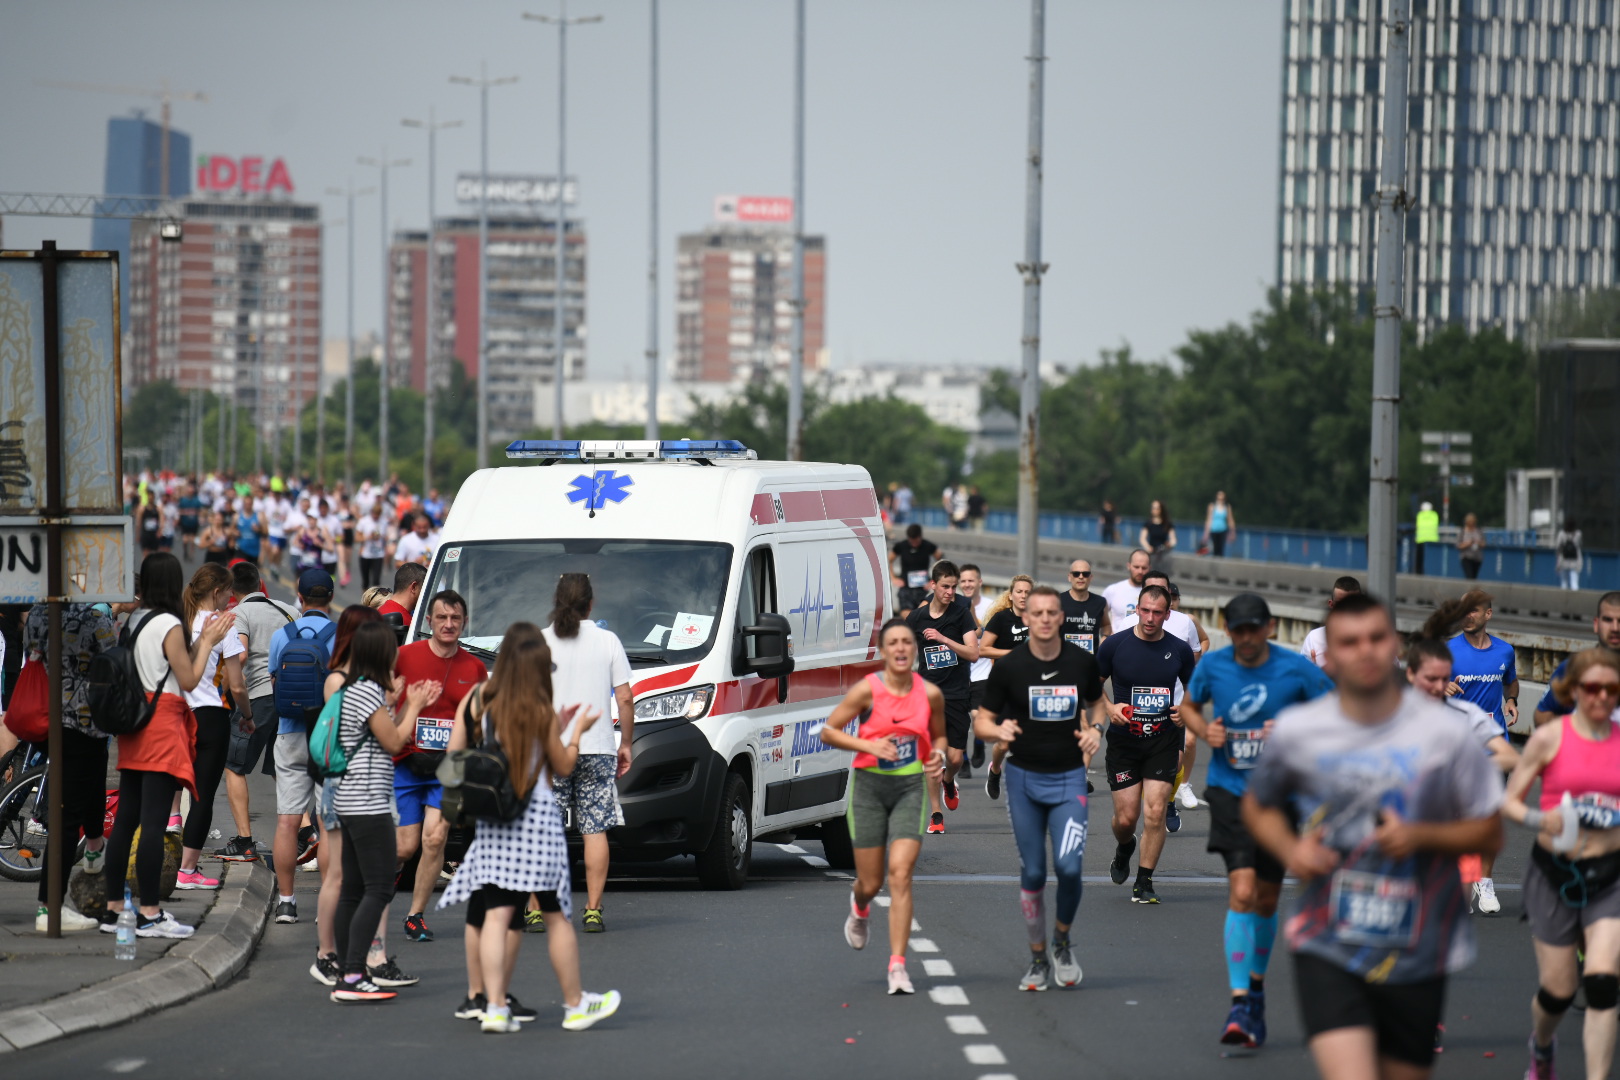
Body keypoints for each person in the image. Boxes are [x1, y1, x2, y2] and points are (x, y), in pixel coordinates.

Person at [1242, 594, 1503, 1080]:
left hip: (1418, 943)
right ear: (1329, 654)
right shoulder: (1302, 729)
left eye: (1376, 638)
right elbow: (1258, 805)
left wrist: (1421, 835)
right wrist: (1292, 848)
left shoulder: (1445, 732)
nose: (1364, 650)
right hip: (1329, 939)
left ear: (1395, 648)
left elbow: (1489, 829)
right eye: (1349, 641)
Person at [439, 627, 622, 1033]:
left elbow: (453, 757)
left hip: (493, 818)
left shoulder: (480, 701)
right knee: (555, 915)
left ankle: (495, 1006)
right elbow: (562, 766)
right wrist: (572, 732)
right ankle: (575, 1004)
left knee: (497, 914)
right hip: (535, 819)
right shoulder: (537, 708)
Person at [1181, 594, 1334, 1050]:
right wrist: (1202, 728)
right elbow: (1190, 705)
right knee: (1243, 890)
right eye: (1238, 629)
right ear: (1228, 628)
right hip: (1230, 792)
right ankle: (1240, 1001)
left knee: (1267, 899)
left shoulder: (1295, 669)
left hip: (1279, 798)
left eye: (1254, 629)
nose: (1246, 638)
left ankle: (1257, 988)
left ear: (1268, 627)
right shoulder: (1215, 666)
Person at [100, 553, 237, 939]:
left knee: (127, 819)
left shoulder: (135, 620)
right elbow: (190, 679)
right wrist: (208, 641)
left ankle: (113, 909)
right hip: (162, 725)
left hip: (134, 723)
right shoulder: (169, 625)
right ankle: (148, 914)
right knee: (155, 820)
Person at [975, 586, 1105, 991]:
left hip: (1068, 779)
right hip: (1024, 779)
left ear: (1061, 617)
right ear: (1026, 618)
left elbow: (1099, 703)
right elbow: (981, 722)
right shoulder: (1011, 667)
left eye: (1053, 612)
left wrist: (1096, 730)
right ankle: (1037, 959)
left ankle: (1061, 943)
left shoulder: (1080, 662)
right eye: (1038, 613)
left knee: (1068, 868)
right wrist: (1000, 729)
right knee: (1033, 871)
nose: (1046, 619)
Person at [1500, 647, 1620, 1080]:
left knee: (1604, 984)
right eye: (1592, 688)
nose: (1602, 697)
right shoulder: (1551, 738)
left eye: (1612, 688)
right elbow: (1509, 803)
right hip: (1554, 873)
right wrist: (1540, 818)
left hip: (1610, 875)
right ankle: (1543, 1044)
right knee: (1559, 990)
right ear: (1574, 691)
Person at [821, 618, 946, 996]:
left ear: (914, 648)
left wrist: (937, 754)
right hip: (870, 787)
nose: (901, 648)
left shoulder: (930, 694)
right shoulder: (867, 690)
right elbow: (830, 730)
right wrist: (870, 746)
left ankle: (897, 966)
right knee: (871, 883)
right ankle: (860, 908)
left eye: (907, 641)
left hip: (910, 786)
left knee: (901, 873)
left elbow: (939, 734)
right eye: (893, 642)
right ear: (883, 650)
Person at [327, 621, 441, 1003]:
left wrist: (398, 706)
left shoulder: (355, 691)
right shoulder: (366, 693)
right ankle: (355, 975)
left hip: (350, 799)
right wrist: (414, 705)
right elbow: (394, 742)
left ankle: (346, 971)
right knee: (377, 889)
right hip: (367, 803)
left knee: (353, 891)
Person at [394, 589, 487, 943]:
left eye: (455, 619)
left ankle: (415, 915)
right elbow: (383, 699)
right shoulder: (404, 656)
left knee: (435, 838)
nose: (448, 624)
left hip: (449, 768)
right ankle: (370, 889)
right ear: (428, 621)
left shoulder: (474, 667)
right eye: (442, 618)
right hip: (405, 761)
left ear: (464, 623)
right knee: (404, 847)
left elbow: (481, 719)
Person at [544, 574, 634, 933]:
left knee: (545, 829)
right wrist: (625, 743)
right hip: (597, 746)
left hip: (551, 749)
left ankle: (538, 908)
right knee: (595, 830)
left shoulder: (542, 640)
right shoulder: (607, 640)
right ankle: (593, 910)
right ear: (591, 604)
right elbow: (624, 698)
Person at [1096, 584, 1196, 904]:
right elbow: (1090, 686)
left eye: (1158, 612)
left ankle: (1145, 880)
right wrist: (1110, 708)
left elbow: (1196, 689)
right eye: (1145, 610)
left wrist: (1186, 713)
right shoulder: (1114, 645)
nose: (1150, 618)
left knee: (1154, 812)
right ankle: (1125, 847)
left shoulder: (1179, 649)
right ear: (1136, 609)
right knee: (1126, 819)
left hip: (1163, 740)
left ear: (1168, 614)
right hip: (1125, 743)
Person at [25, 602, 117, 931]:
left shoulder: (37, 614)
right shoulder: (95, 618)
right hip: (85, 720)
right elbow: (113, 659)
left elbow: (31, 650)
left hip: (46, 719)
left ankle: (93, 847)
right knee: (66, 818)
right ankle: (48, 908)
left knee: (89, 783)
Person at [214, 562, 298, 863]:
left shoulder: (239, 614)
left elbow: (242, 653)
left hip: (259, 696)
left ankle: (245, 841)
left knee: (234, 766)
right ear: (261, 582)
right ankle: (307, 832)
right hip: (290, 699)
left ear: (232, 590)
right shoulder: (289, 611)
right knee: (282, 768)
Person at [267, 568, 338, 924]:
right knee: (327, 824)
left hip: (290, 732)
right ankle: (328, 899)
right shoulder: (340, 636)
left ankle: (286, 902)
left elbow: (274, 679)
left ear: (300, 594)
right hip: (326, 734)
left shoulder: (283, 635)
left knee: (287, 823)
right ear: (331, 595)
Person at [175, 563, 248, 891]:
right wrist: (247, 715)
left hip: (177, 712)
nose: (231, 597)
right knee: (202, 795)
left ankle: (161, 850)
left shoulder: (180, 619)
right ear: (216, 592)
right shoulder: (223, 626)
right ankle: (187, 870)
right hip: (211, 715)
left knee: (167, 788)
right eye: (228, 590)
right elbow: (237, 685)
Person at [1113, 571, 1203, 831]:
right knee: (1128, 811)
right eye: (1150, 592)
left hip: (1171, 708)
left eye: (1163, 593)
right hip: (1134, 713)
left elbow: (1194, 658)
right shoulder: (1127, 625)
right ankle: (1155, 799)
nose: (1153, 609)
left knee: (1175, 760)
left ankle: (1169, 800)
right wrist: (1113, 706)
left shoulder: (1184, 623)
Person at [904, 560, 979, 834]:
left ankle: (949, 780)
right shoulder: (917, 618)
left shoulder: (961, 614)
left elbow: (973, 653)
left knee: (955, 758)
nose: (950, 592)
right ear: (933, 585)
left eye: (953, 587)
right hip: (928, 697)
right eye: (945, 586)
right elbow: (900, 645)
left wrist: (944, 639)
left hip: (958, 695)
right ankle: (936, 813)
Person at [1423, 589, 1520, 735]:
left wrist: (1511, 700)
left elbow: (1510, 681)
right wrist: (1442, 688)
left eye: (1473, 611)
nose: (1467, 616)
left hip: (1494, 736)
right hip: (1460, 739)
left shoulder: (1505, 651)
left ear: (1488, 614)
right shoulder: (1446, 651)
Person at [977, 574, 1033, 801]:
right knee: (1004, 741)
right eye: (1019, 591)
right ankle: (995, 769)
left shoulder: (1038, 620)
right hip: (1006, 686)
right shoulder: (1001, 619)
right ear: (1011, 595)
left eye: (1027, 592)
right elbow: (983, 649)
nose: (1023, 596)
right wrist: (1012, 654)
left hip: (1032, 687)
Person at [1533, 591, 1620, 728]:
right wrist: (1577, 730)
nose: (1615, 628)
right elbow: (1541, 717)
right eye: (1608, 620)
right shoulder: (1573, 668)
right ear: (1596, 624)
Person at [957, 564, 994, 776]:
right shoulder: (954, 606)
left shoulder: (991, 607)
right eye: (963, 581)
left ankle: (979, 742)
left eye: (971, 580)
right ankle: (962, 761)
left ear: (980, 582)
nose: (967, 584)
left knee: (977, 716)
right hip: (960, 672)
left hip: (983, 671)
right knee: (959, 721)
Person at [1302, 577, 1363, 671]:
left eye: (1352, 604)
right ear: (1331, 605)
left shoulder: (1376, 640)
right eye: (1341, 604)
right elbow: (1302, 680)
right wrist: (1314, 677)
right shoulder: (1314, 638)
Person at [1059, 558, 1111, 656]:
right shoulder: (1058, 601)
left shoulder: (1100, 602)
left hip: (1090, 662)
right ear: (1069, 577)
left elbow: (1106, 626)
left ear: (1091, 577)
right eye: (1076, 574)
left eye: (1085, 574)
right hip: (1064, 661)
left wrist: (1104, 639)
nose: (1081, 577)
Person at [889, 524, 941, 618]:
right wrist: (893, 578)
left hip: (923, 588)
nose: (914, 544)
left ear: (920, 537)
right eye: (911, 541)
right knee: (907, 615)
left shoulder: (928, 546)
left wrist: (934, 580)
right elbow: (889, 560)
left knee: (924, 615)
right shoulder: (902, 546)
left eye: (916, 541)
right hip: (906, 587)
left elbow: (941, 561)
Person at [1102, 549, 1152, 628]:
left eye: (1144, 568)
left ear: (1149, 568)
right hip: (1117, 640)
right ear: (1128, 566)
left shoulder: (1154, 593)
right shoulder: (1113, 590)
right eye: (1136, 567)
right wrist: (1106, 634)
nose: (1140, 571)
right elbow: (1100, 616)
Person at [357, 502, 388, 590]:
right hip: (366, 554)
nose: (376, 516)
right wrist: (368, 537)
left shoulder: (383, 522)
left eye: (378, 514)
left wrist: (381, 538)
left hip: (378, 554)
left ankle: (375, 602)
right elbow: (357, 537)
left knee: (376, 580)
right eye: (374, 514)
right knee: (365, 581)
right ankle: (365, 601)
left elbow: (385, 537)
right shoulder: (364, 521)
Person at [1140, 500, 1177, 575]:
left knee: (1163, 573)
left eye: (1157, 508)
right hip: (1152, 552)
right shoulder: (1148, 523)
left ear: (1161, 510)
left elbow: (1173, 539)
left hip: (1163, 552)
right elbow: (1142, 538)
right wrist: (1148, 547)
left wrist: (1170, 544)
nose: (1154, 510)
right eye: (1153, 508)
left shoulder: (1167, 524)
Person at [1555, 516, 1583, 591]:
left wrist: (1557, 563)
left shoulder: (1561, 534)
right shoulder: (1578, 534)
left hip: (1563, 560)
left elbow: (1558, 547)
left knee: (1564, 583)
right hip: (1574, 561)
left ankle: (1563, 600)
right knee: (1574, 583)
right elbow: (1580, 545)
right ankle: (1575, 600)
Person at [1204, 492, 1235, 558]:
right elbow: (1209, 519)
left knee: (1221, 548)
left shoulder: (1227, 507)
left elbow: (1230, 519)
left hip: (1223, 529)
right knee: (1215, 548)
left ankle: (1220, 562)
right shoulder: (1212, 506)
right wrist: (1206, 532)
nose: (1220, 500)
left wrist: (1232, 531)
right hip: (1214, 529)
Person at [1456, 513, 1485, 580]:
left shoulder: (1479, 531)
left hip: (1477, 557)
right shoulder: (1463, 532)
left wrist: (1478, 542)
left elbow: (1484, 543)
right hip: (1466, 557)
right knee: (1469, 576)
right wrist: (1468, 543)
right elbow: (1458, 545)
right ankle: (1470, 589)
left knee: (1474, 577)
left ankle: (1473, 590)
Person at [1414, 501, 1440, 575]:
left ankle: (1419, 572)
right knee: (1431, 559)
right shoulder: (1434, 515)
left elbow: (1417, 526)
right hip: (1432, 539)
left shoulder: (1420, 515)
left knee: (1420, 559)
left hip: (1421, 539)